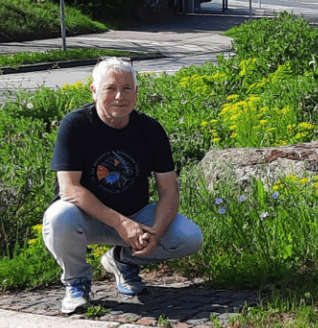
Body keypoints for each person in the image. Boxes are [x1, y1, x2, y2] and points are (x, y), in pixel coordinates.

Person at [41, 58, 203, 314]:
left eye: (127, 88)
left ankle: (122, 259)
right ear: (94, 91)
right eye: (110, 88)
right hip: (86, 217)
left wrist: (157, 232)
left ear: (136, 93)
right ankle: (77, 282)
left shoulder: (151, 130)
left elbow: (169, 191)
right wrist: (119, 223)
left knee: (189, 237)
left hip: (135, 215)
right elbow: (69, 189)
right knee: (60, 216)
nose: (119, 96)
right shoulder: (75, 125)